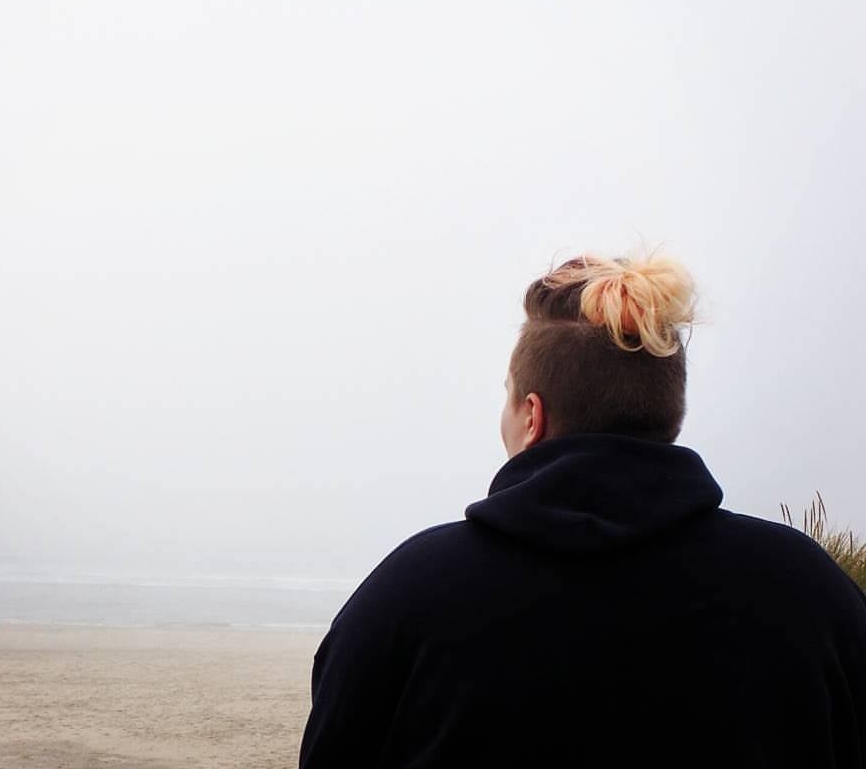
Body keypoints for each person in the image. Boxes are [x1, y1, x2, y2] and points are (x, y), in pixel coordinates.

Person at [299, 252, 866, 768]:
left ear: (531, 416)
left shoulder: (405, 597)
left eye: (506, 396)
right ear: (668, 416)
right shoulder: (811, 594)